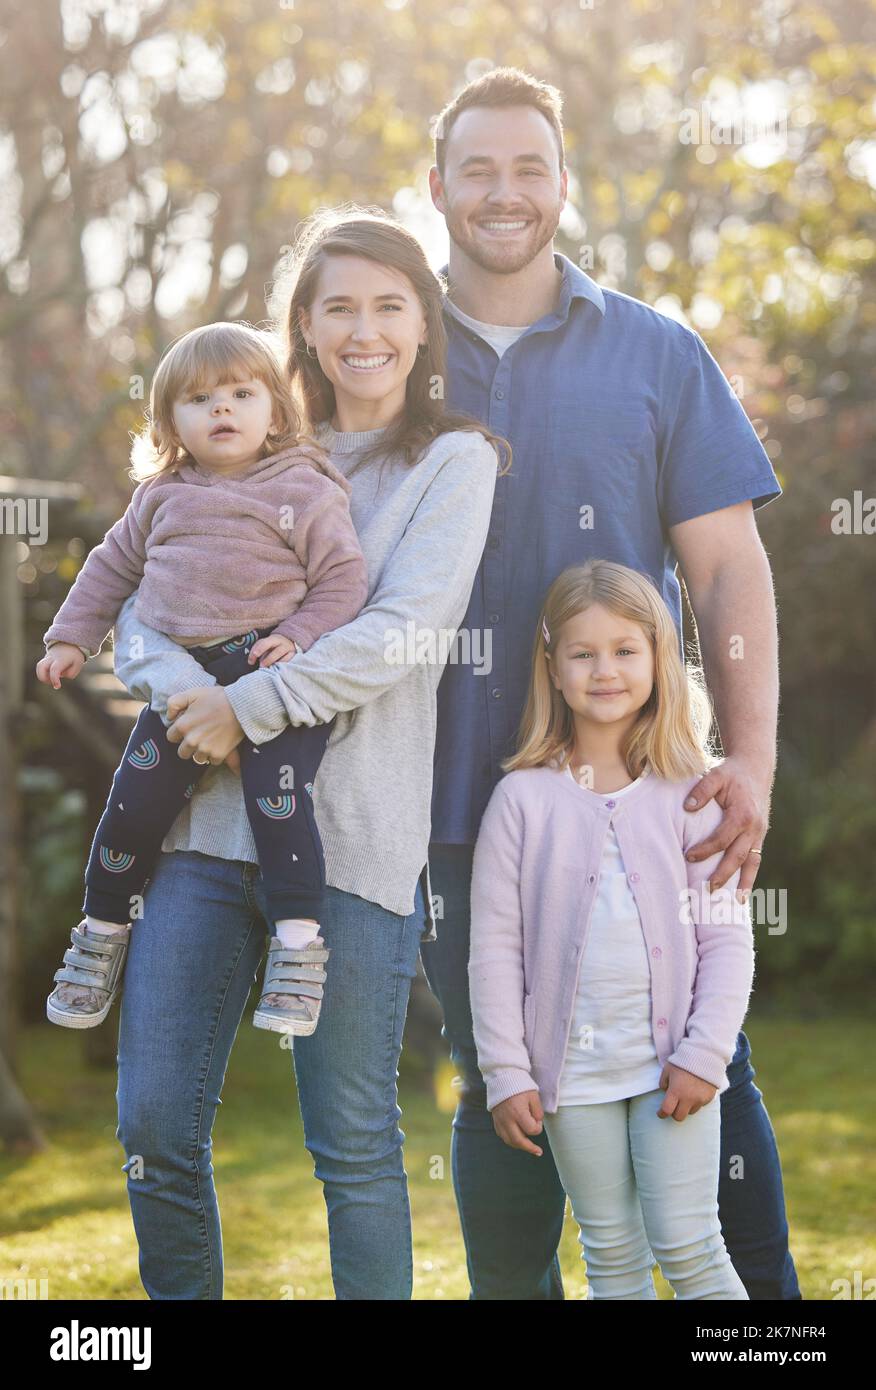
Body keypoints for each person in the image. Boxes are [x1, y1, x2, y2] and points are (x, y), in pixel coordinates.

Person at [420, 66, 801, 1299]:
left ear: (564, 183)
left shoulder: (655, 350)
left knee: (708, 1072)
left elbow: (731, 572)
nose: (504, 192)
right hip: (438, 810)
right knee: (506, 1082)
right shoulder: (377, 340)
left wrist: (748, 762)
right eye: (477, 167)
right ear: (436, 187)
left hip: (646, 790)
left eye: (529, 165)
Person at [107, 207, 509, 1298]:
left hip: (355, 847)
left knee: (354, 1145)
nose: (364, 329)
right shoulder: (230, 440)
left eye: (390, 305)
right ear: (306, 324)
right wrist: (190, 693)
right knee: (153, 1122)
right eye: (339, 306)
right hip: (200, 831)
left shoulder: (454, 462)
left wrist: (250, 707)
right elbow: (139, 611)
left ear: (425, 325)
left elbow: (403, 633)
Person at [38, 320, 369, 1035]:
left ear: (275, 411)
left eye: (241, 394)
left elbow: (344, 580)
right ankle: (101, 934)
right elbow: (109, 568)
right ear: (170, 424)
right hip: (181, 680)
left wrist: (297, 636)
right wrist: (72, 636)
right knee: (131, 806)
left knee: (279, 810)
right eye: (199, 398)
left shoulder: (303, 487)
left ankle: (297, 950)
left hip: (265, 671)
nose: (222, 409)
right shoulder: (160, 495)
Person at [469, 559, 754, 1299]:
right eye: (583, 653)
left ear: (659, 659)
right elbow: (495, 952)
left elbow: (727, 941)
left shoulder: (695, 796)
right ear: (553, 669)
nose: (605, 670)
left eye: (626, 650)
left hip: (675, 1069)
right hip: (576, 1080)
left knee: (691, 1247)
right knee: (612, 1257)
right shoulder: (521, 801)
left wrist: (706, 1053)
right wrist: (507, 1073)